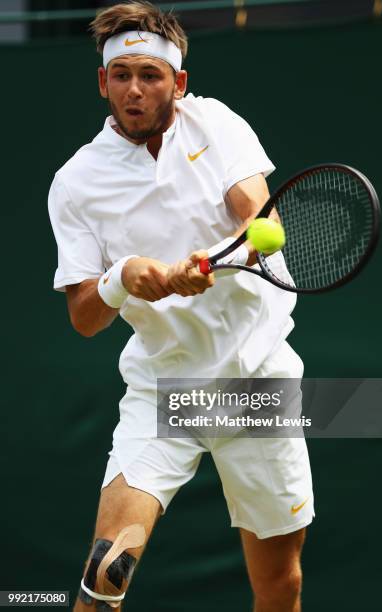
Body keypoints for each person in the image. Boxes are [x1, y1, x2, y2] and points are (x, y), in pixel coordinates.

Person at [48, 2, 314, 610]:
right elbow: (85, 317)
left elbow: (260, 220)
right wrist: (123, 277)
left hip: (258, 384)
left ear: (180, 83)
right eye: (122, 76)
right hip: (166, 391)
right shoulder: (76, 182)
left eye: (151, 75)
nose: (134, 90)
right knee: (104, 575)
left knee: (281, 583)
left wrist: (207, 262)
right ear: (102, 82)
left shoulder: (215, 124)